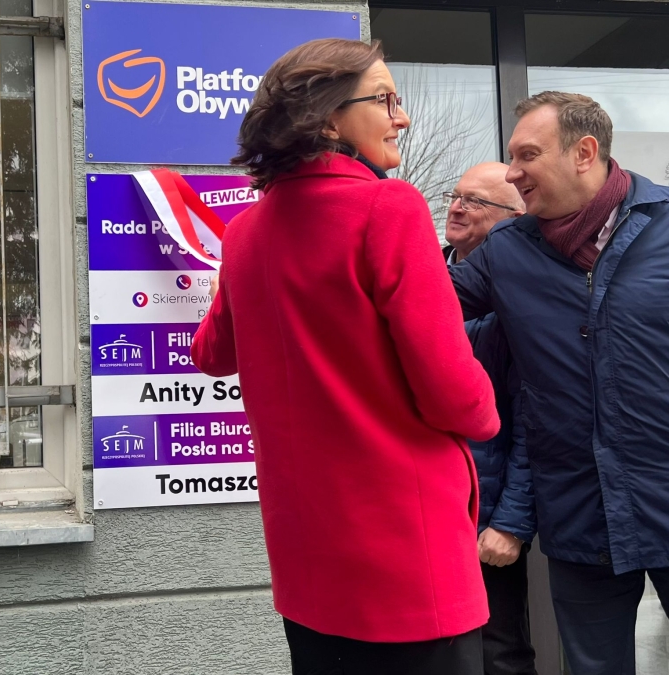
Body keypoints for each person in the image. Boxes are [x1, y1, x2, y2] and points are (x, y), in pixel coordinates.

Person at [191, 38, 500, 675]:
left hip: (307, 560)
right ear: (328, 119)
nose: (401, 117)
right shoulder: (389, 207)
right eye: (384, 100)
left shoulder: (245, 231)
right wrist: (486, 409)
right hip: (405, 556)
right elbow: (453, 393)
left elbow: (211, 354)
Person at [450, 91, 669, 675]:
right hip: (578, 513)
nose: (512, 172)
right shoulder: (505, 250)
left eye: (527, 155)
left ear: (584, 152)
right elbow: (421, 306)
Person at [444, 163, 537, 675]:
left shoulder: (519, 303)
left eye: (475, 200)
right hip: (425, 511)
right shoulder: (417, 284)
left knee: (499, 655)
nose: (456, 208)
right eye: (455, 195)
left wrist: (511, 524)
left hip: (486, 523)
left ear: (513, 219)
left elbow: (531, 421)